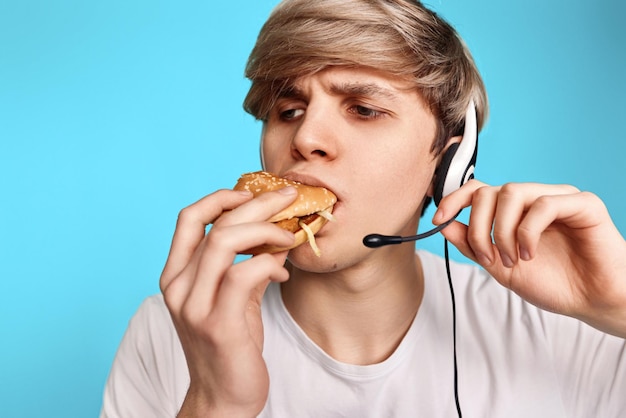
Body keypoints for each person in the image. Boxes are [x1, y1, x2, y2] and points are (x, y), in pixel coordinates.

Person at [100, 0, 626, 417]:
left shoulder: (571, 327)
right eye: (288, 110)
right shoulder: (171, 331)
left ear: (446, 165)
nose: (306, 138)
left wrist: (618, 304)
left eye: (364, 109)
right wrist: (216, 406)